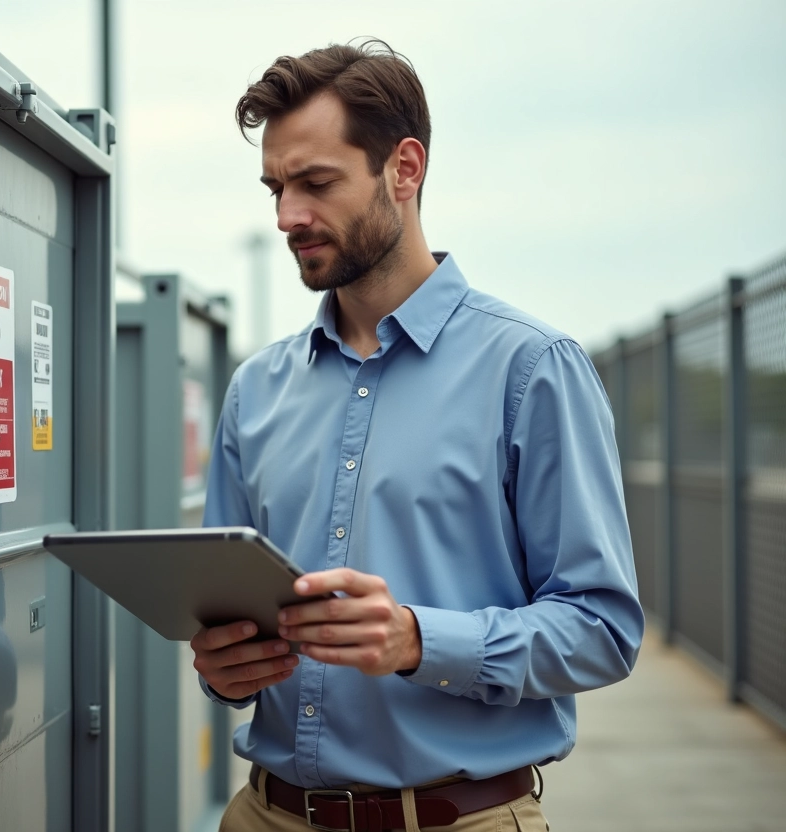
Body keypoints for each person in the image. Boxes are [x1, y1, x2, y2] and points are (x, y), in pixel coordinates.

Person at [192, 40, 644, 832]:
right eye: (275, 188)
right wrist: (227, 669)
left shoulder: (533, 370)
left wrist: (416, 640)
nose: (287, 216)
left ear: (404, 170)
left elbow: (603, 631)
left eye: (316, 183)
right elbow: (228, 624)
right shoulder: (255, 390)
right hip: (264, 816)